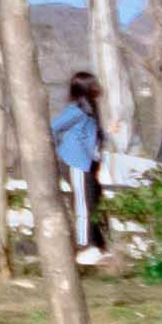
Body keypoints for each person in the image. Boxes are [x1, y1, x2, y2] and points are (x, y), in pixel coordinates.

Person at [50, 72, 111, 267]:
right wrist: (64, 149)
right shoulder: (75, 110)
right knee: (83, 204)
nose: (97, 88)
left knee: (94, 202)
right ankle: (84, 246)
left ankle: (98, 245)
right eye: (93, 85)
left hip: (89, 163)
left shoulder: (91, 110)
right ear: (84, 88)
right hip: (76, 162)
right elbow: (53, 127)